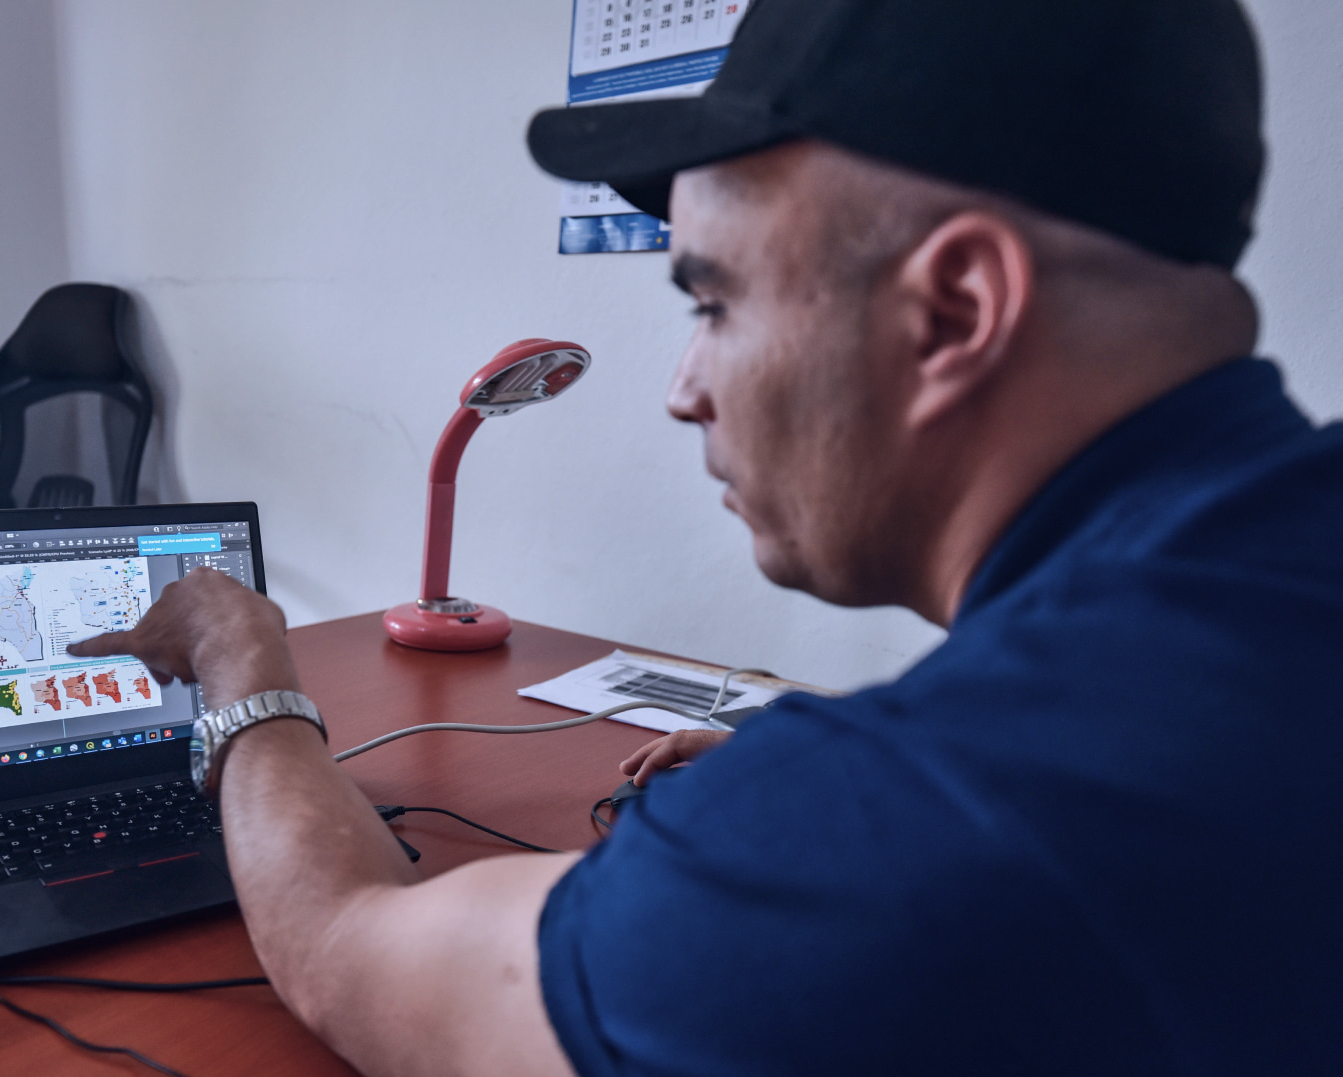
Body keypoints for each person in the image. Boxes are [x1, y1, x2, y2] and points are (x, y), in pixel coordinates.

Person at [68, 1, 1341, 1073]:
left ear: (955, 310)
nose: (683, 386)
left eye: (715, 300)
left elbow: (354, 953)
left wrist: (244, 669)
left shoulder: (912, 836)